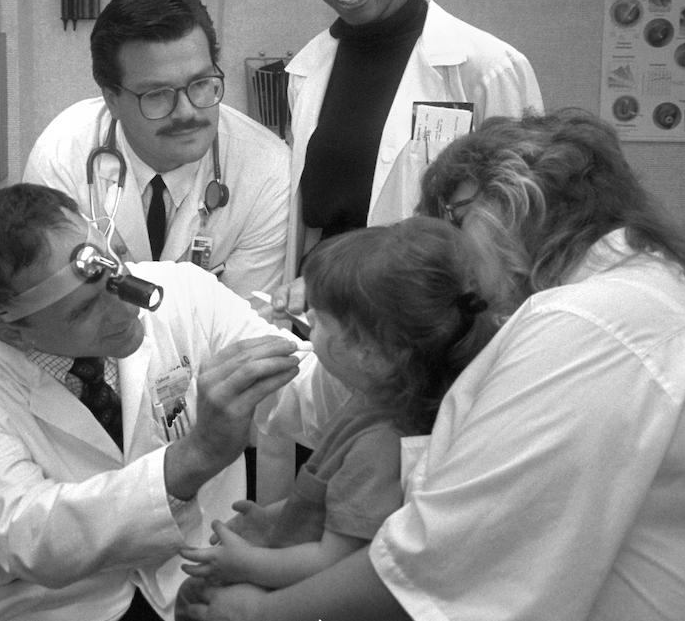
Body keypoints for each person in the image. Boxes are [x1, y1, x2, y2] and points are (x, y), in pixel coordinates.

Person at [183, 110, 685, 621]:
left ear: (508, 202)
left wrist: (259, 614)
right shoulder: (648, 291)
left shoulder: (586, 325)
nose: (458, 262)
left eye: (455, 223)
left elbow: (440, 559)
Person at [0, 183, 328, 621]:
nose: (127, 311)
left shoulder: (186, 293)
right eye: (84, 310)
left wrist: (352, 335)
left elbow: (312, 396)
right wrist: (196, 456)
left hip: (200, 578)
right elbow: (30, 536)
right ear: (13, 333)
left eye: (119, 280)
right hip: (53, 604)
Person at [178, 217, 499, 604]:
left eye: (321, 319)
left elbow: (332, 561)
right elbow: (334, 500)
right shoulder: (372, 402)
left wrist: (244, 564)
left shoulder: (379, 447)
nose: (308, 321)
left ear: (369, 352)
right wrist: (279, 516)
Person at [277, 0, 542, 307]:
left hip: (438, 318)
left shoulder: (486, 69)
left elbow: (519, 229)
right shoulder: (306, 72)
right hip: (326, 315)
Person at [24, 0, 290, 300]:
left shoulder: (267, 168)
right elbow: (53, 308)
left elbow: (250, 321)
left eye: (201, 83)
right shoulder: (61, 156)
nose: (187, 112)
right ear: (112, 100)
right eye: (157, 94)